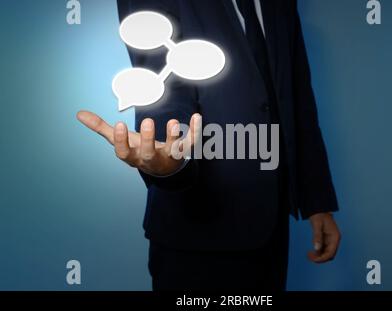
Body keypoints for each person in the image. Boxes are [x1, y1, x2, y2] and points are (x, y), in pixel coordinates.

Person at [77, 0, 341, 291]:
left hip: (272, 226)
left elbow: (297, 96)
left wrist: (317, 202)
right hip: (197, 230)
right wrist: (170, 155)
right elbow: (163, 86)